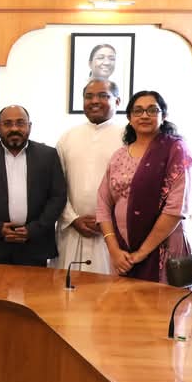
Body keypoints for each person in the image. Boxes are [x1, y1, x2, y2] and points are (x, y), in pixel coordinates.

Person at [96, 91, 192, 283]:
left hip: (163, 247)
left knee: (161, 301)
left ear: (164, 116)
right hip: (123, 252)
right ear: (129, 118)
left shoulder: (175, 150)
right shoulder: (119, 155)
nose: (144, 115)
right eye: (138, 111)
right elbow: (103, 204)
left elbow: (176, 208)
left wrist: (141, 253)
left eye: (152, 110)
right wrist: (114, 250)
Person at [0, 105, 66, 266]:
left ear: (29, 126)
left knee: (33, 284)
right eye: (7, 123)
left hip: (35, 244)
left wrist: (34, 229)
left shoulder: (48, 155)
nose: (14, 128)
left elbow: (57, 196)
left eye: (20, 123)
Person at [54, 79, 125, 274]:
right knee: (67, 287)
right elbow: (56, 186)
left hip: (112, 235)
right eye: (89, 96)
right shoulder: (67, 138)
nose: (94, 101)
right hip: (72, 231)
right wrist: (73, 219)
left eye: (103, 96)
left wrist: (108, 221)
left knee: (108, 290)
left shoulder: (129, 138)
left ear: (117, 101)